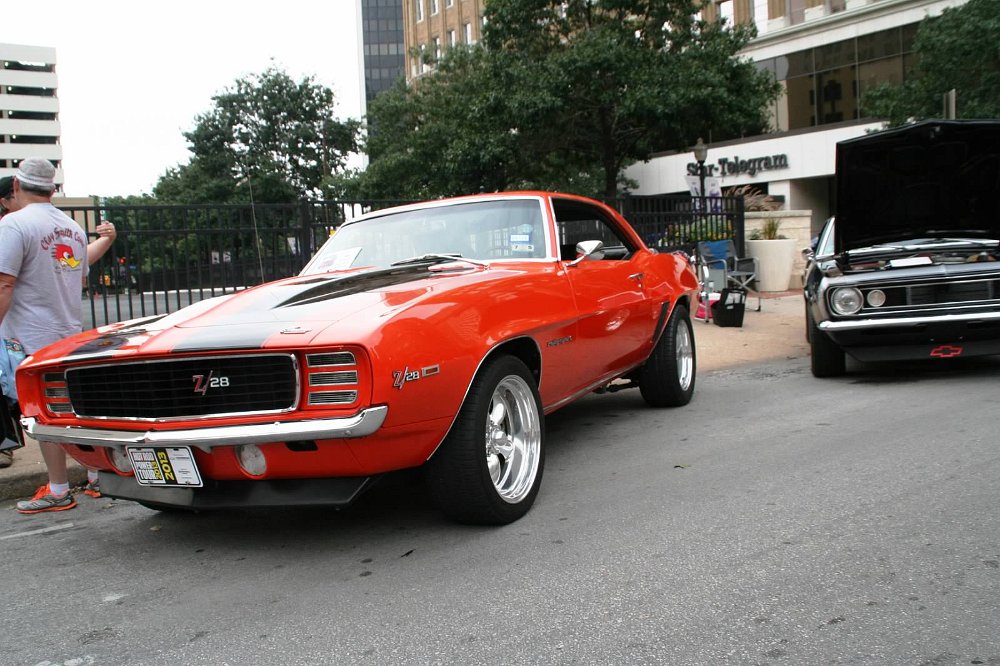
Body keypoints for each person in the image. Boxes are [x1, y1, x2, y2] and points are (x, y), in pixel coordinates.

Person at [0, 158, 114, 512]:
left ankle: (59, 489)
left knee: (40, 414)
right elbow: (77, 270)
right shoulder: (72, 228)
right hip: (66, 333)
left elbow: (4, 283)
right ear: (53, 189)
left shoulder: (14, 224)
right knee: (71, 409)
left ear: (16, 186)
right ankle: (97, 478)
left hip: (28, 338)